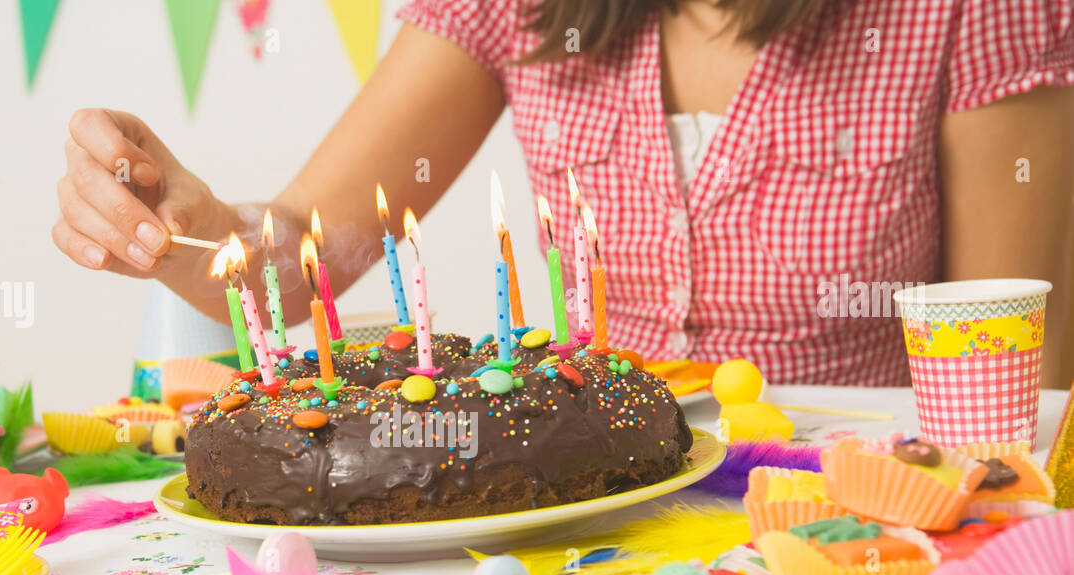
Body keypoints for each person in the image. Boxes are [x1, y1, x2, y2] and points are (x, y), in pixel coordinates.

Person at [52, 0, 1074, 386]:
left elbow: (1010, 380)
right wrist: (190, 227)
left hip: (850, 551)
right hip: (589, 536)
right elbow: (300, 271)